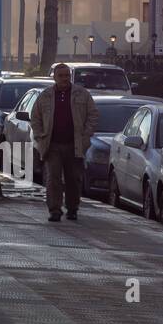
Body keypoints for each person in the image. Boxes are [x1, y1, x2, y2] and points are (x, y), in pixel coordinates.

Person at [30, 62, 100, 222]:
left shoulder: (82, 94)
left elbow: (93, 115)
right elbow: (36, 117)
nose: (64, 79)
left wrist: (86, 135)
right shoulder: (45, 96)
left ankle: (72, 208)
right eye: (61, 76)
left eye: (67, 75)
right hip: (52, 145)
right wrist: (40, 136)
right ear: (54, 77)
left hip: (74, 144)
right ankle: (54, 210)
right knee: (53, 178)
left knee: (73, 178)